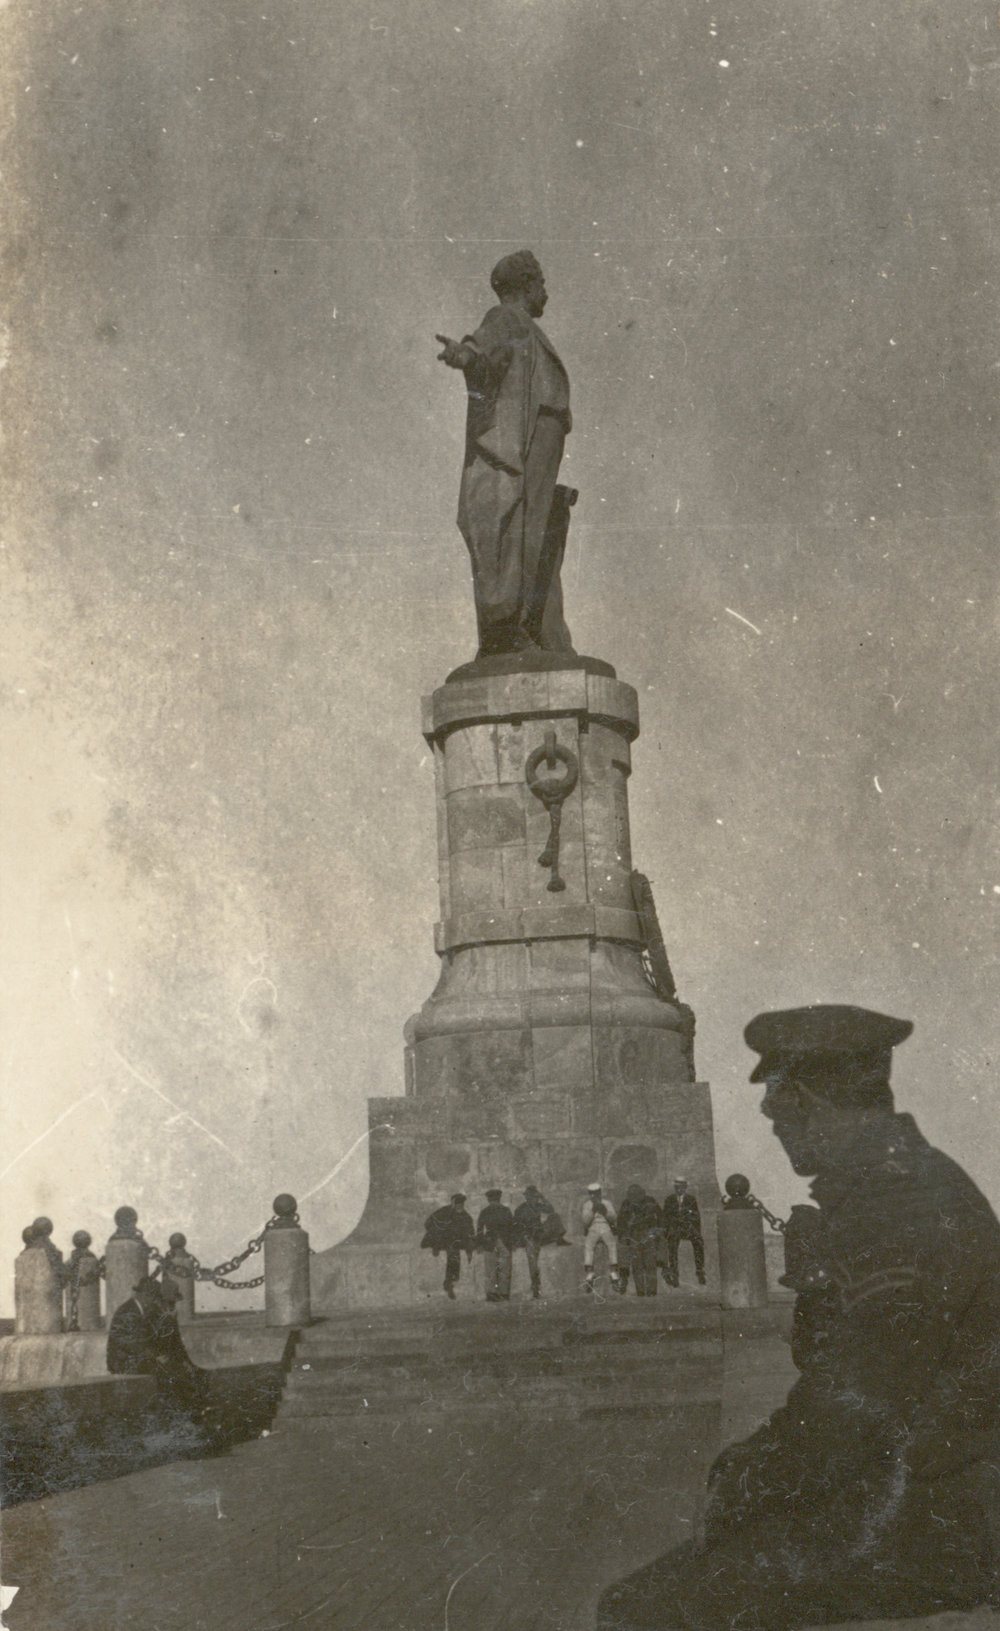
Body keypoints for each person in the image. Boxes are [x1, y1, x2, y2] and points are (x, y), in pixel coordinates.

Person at [596, 1003, 1000, 1629]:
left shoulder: (898, 1206)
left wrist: (751, 1477)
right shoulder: (891, 1188)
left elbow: (862, 1404)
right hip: (909, 1490)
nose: (769, 1116)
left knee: (638, 1611)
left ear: (815, 1100)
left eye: (780, 1101)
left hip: (937, 1512)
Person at [436, 250, 575, 658]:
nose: (546, 292)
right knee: (522, 526)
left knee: (540, 527)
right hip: (524, 444)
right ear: (525, 285)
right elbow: (482, 348)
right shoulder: (506, 319)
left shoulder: (527, 327)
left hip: (541, 441)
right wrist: (464, 356)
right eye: (542, 283)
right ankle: (509, 630)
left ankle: (535, 630)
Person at [106, 1278, 205, 1414]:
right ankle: (180, 1412)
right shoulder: (127, 1311)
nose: (154, 1302)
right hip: (123, 1363)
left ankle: (187, 1410)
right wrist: (157, 1356)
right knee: (169, 1372)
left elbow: (166, 1342)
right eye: (153, 1298)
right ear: (145, 1296)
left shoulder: (145, 1311)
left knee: (181, 1372)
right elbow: (132, 1344)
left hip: (138, 1359)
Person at [513, 1184, 567, 1299]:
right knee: (533, 1262)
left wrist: (542, 1198)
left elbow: (550, 1209)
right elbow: (517, 1226)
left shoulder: (538, 1206)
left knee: (555, 1216)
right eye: (530, 1197)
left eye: (534, 1197)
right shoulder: (521, 1209)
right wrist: (525, 1237)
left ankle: (559, 1238)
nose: (532, 1199)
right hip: (528, 1237)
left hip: (539, 1234)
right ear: (526, 1197)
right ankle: (535, 1286)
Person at [421, 1193, 475, 1299]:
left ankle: (450, 1283)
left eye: (462, 1204)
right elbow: (428, 1223)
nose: (460, 1206)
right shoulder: (444, 1212)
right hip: (443, 1242)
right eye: (458, 1203)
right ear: (453, 1203)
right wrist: (435, 1239)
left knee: (454, 1256)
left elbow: (470, 1233)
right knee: (453, 1254)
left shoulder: (466, 1217)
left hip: (455, 1244)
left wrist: (470, 1250)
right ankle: (449, 1282)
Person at [616, 1184, 663, 1296]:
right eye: (632, 1194)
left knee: (650, 1263)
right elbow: (621, 1221)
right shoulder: (626, 1204)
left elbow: (660, 1215)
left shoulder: (650, 1201)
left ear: (642, 1193)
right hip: (633, 1236)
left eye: (638, 1194)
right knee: (637, 1265)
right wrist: (623, 1236)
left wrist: (657, 1231)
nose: (635, 1197)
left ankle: (651, 1291)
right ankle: (640, 1291)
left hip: (648, 1233)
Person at [660, 1178, 706, 1287]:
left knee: (698, 1241)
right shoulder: (669, 1200)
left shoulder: (691, 1199)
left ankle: (700, 1271)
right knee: (672, 1244)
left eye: (681, 1187)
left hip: (687, 1228)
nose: (678, 1189)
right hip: (675, 1227)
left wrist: (696, 1230)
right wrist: (666, 1231)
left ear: (685, 1187)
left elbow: (696, 1216)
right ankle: (674, 1273)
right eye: (676, 1187)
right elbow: (665, 1216)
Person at [476, 1189, 517, 1302]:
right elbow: (512, 1228)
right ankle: (501, 1293)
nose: (494, 1202)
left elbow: (479, 1229)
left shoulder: (486, 1211)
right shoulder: (505, 1210)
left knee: (492, 1268)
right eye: (493, 1200)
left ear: (489, 1199)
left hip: (493, 1242)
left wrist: (480, 1243)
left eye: (494, 1200)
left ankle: (494, 1293)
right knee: (503, 1268)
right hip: (500, 1242)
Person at [582, 1183, 621, 1293]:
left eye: (596, 1193)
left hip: (605, 1226)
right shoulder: (587, 1205)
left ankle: (613, 1272)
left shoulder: (607, 1203)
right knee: (588, 1246)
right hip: (593, 1228)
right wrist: (592, 1211)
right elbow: (585, 1222)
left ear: (599, 1193)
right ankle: (590, 1273)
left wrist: (605, 1211)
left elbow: (613, 1218)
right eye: (592, 1194)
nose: (594, 1196)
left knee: (611, 1244)